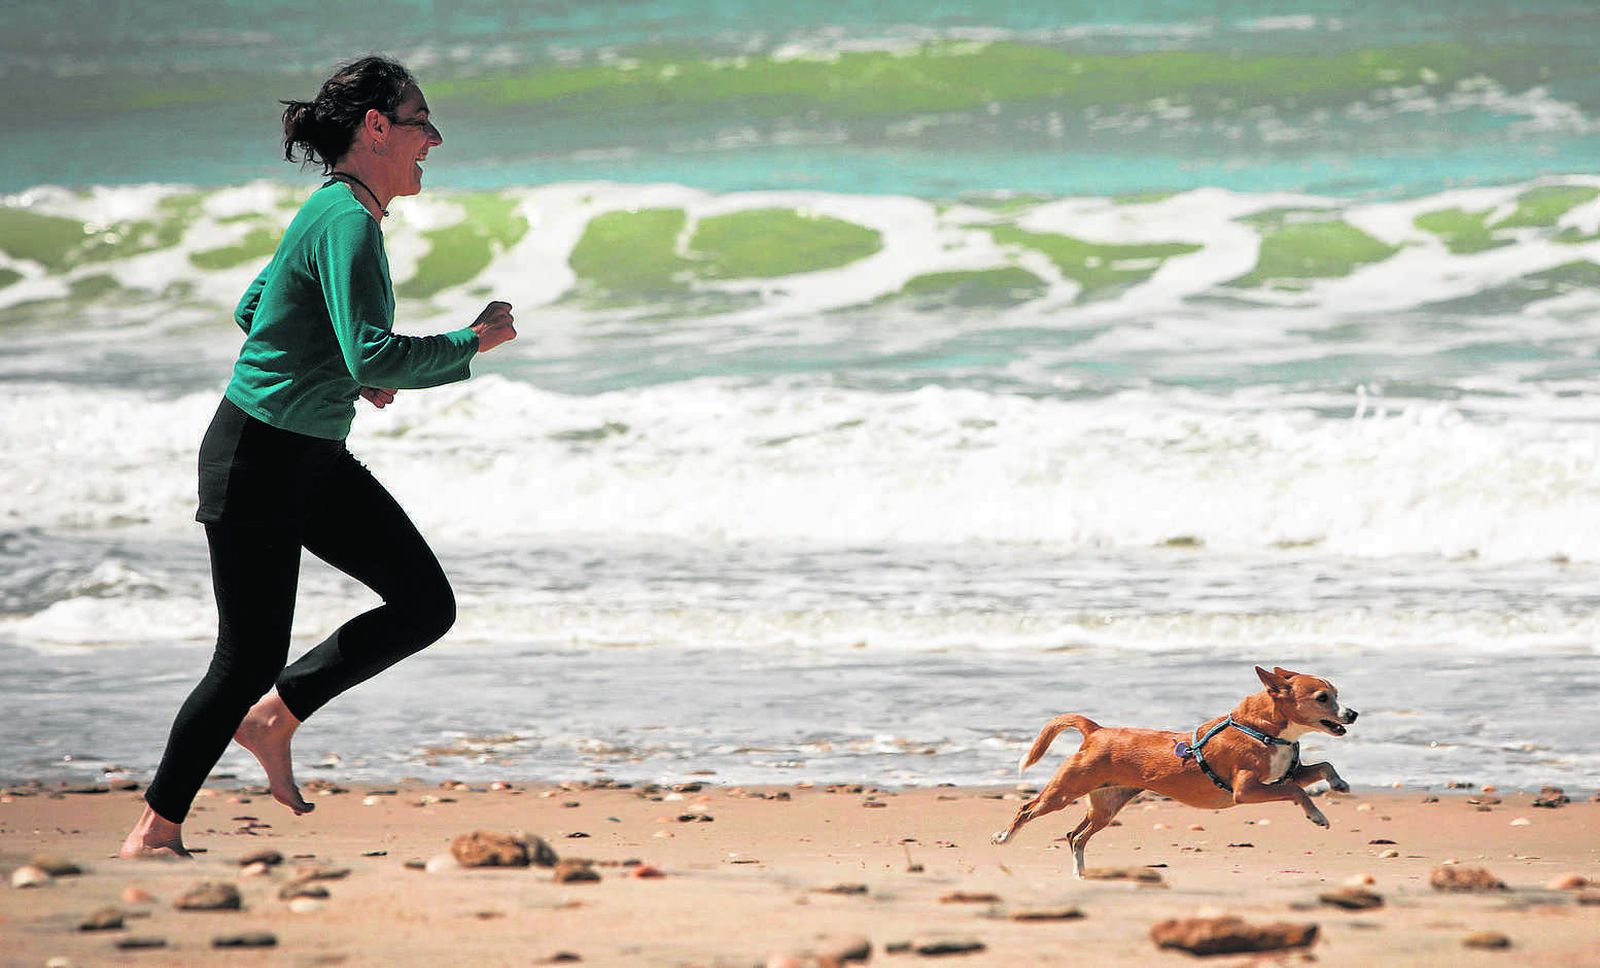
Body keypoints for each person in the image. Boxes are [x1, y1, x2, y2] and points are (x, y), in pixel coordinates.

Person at [120, 55, 516, 858]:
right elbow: (372, 355)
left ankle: (275, 718)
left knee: (421, 603)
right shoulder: (348, 222)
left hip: (305, 456)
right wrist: (470, 341)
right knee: (245, 656)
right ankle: (153, 831)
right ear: (377, 127)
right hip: (260, 456)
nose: (432, 139)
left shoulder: (331, 209)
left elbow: (255, 306)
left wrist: (337, 367)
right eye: (419, 121)